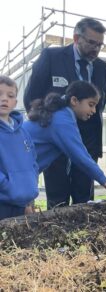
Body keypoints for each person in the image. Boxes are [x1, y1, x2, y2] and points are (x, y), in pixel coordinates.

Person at [23, 17, 106, 208]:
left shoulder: (105, 70)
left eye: (100, 45)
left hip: (86, 144)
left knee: (84, 202)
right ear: (76, 38)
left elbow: (98, 108)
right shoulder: (51, 57)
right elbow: (31, 96)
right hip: (54, 141)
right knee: (57, 201)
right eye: (91, 42)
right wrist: (49, 126)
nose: (96, 49)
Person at [23, 81, 106, 206]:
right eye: (91, 104)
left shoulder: (58, 114)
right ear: (74, 100)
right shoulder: (62, 120)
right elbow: (81, 157)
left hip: (21, 173)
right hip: (14, 172)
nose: (94, 111)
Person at [0, 76, 39, 220]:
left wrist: (28, 197)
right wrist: (9, 187)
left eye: (10, 95)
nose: (4, 99)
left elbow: (33, 163)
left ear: (15, 102)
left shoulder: (23, 132)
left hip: (22, 204)